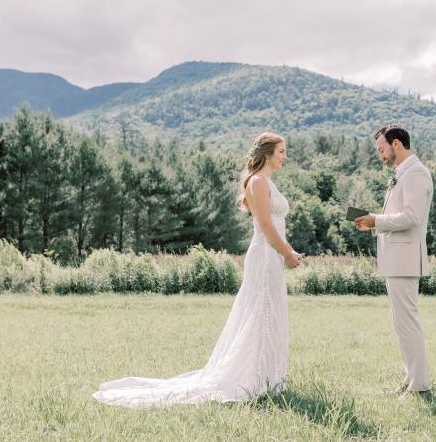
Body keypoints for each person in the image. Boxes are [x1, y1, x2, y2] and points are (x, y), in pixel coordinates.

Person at [92, 132, 303, 408]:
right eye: (281, 151)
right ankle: (254, 378)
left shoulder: (266, 182)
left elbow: (275, 225)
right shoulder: (259, 182)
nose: (285, 156)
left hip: (271, 255)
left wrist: (288, 251)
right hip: (265, 256)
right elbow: (265, 225)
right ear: (267, 153)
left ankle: (267, 377)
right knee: (260, 312)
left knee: (269, 312)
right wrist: (287, 253)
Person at [355, 125, 433, 398]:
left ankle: (420, 386)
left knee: (407, 323)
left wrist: (377, 219)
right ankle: (412, 378)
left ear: (396, 144)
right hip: (397, 258)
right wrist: (373, 224)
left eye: (381, 149)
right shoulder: (403, 174)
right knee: (401, 323)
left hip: (405, 259)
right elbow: (399, 216)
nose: (380, 155)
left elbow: (411, 216)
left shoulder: (416, 173)